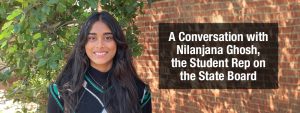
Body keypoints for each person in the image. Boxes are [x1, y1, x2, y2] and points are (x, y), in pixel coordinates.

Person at [47, 11, 152, 113]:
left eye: (108, 37)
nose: (100, 45)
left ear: (117, 42)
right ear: (84, 43)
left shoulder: (139, 92)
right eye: (92, 38)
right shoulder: (62, 92)